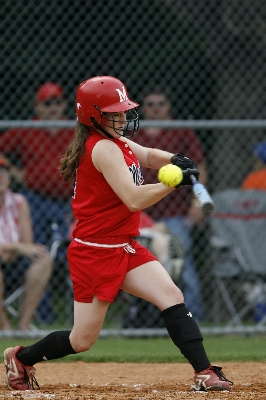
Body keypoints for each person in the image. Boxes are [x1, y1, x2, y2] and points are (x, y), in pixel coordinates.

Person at [3, 76, 232, 392]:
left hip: (124, 245)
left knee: (171, 296)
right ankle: (21, 357)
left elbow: (149, 155)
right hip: (94, 253)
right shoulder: (102, 149)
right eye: (114, 112)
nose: (123, 117)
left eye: (124, 110)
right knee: (81, 340)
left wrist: (175, 160)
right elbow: (134, 198)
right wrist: (171, 182)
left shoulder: (118, 142)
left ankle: (204, 372)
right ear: (93, 117)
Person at [134, 87, 207, 320]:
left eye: (161, 104)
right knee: (139, 267)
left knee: (181, 265)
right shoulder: (135, 134)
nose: (156, 109)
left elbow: (200, 168)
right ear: (143, 109)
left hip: (175, 212)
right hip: (141, 212)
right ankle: (150, 320)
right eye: (150, 104)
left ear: (169, 107)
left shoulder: (181, 131)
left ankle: (193, 318)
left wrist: (197, 202)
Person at [0, 82, 74, 245]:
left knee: (66, 247)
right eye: (47, 103)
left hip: (68, 200)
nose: (53, 108)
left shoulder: (73, 130)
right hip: (35, 199)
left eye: (57, 102)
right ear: (37, 107)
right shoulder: (27, 129)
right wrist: (14, 172)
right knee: (38, 247)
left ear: (64, 105)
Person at [0, 157, 52, 331]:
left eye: (4, 172)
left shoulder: (19, 201)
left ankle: (23, 325)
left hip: (15, 260)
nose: (1, 176)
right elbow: (20, 245)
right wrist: (14, 246)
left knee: (44, 260)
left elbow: (28, 244)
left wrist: (15, 249)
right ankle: (5, 327)